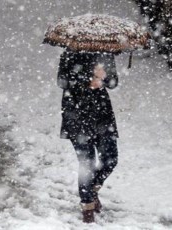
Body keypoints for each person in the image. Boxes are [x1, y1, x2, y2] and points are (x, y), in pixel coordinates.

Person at [57, 48, 119, 223]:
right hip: (77, 114)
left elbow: (113, 82)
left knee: (111, 158)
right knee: (87, 163)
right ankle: (87, 207)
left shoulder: (106, 53)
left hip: (102, 115)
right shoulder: (70, 54)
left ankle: (91, 191)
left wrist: (104, 77)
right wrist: (89, 79)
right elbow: (62, 81)